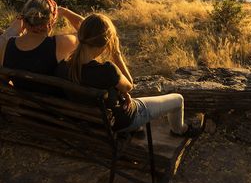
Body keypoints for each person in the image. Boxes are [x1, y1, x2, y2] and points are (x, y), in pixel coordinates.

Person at [55, 13, 201, 136]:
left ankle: (137, 129)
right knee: (178, 99)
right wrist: (116, 54)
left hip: (88, 123)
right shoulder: (107, 70)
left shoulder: (62, 67)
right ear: (107, 42)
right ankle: (180, 130)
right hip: (119, 122)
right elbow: (129, 85)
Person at [0, 0, 84, 91]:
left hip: (20, 104)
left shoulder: (8, 45)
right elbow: (92, 32)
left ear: (24, 19)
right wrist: (65, 12)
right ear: (51, 21)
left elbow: (4, 82)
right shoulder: (60, 43)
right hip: (52, 105)